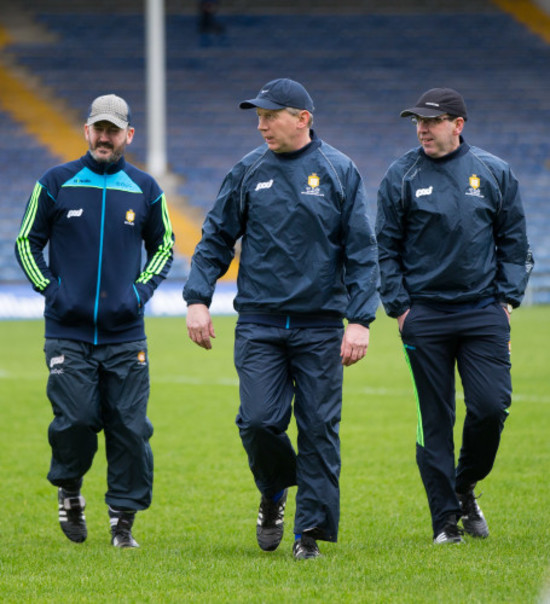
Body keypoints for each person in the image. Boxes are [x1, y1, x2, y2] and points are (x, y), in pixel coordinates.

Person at [183, 78, 379, 560]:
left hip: (319, 325)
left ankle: (307, 535)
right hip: (260, 324)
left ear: (303, 119)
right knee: (258, 422)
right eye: (258, 116)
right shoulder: (248, 171)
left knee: (318, 428)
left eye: (271, 115)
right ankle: (273, 494)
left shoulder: (339, 170)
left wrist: (360, 320)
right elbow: (214, 239)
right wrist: (197, 299)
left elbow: (361, 251)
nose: (261, 124)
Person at [14, 94, 175, 548]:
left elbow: (164, 247)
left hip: (126, 335)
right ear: (87, 131)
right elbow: (27, 241)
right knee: (77, 420)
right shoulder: (56, 182)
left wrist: (139, 293)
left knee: (130, 427)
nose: (105, 137)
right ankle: (70, 490)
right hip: (68, 331)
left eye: (113, 129)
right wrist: (53, 291)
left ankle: (122, 523)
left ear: (128, 135)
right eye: (98, 128)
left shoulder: (146, 189)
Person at [375, 88, 533, 544]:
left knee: (490, 409)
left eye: (432, 120)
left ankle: (465, 486)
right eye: (417, 122)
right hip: (425, 317)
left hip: (484, 313)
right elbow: (385, 247)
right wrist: (401, 308)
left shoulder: (493, 171)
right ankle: (445, 521)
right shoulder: (401, 174)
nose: (422, 128)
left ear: (457, 125)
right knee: (435, 419)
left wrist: (506, 301)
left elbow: (514, 242)